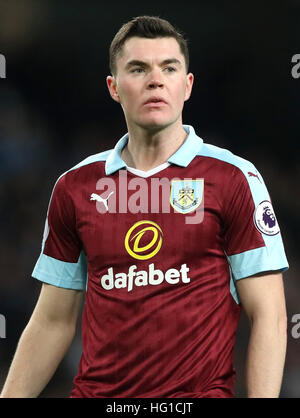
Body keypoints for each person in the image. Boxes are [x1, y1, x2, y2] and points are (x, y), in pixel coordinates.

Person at [1, 15, 289, 398]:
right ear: (114, 87)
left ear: (187, 86)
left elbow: (269, 314)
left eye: (169, 68)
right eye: (138, 69)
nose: (156, 79)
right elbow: (53, 320)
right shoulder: (75, 187)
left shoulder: (233, 178)